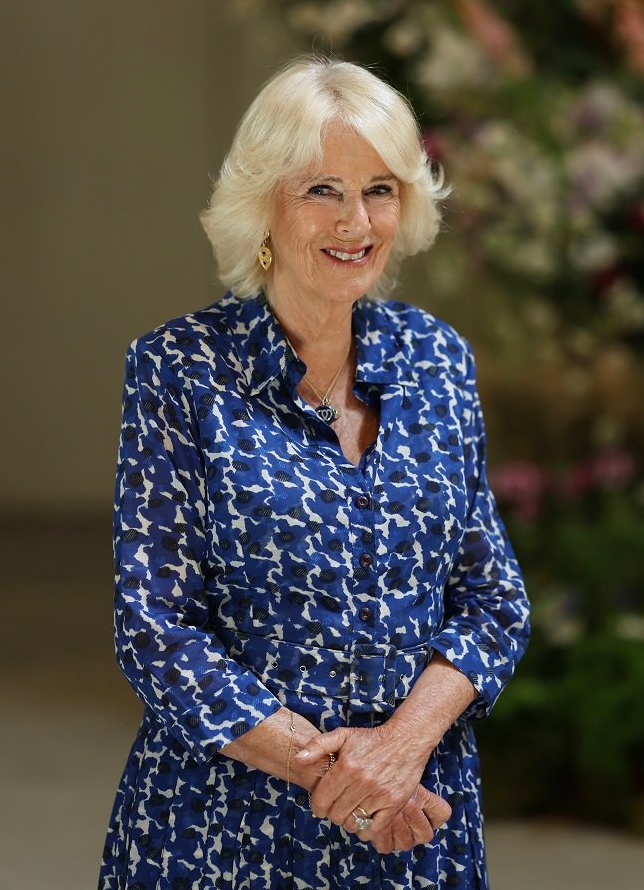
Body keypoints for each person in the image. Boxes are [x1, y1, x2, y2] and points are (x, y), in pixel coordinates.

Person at [98, 56, 531, 889]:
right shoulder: (180, 368)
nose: (355, 221)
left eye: (380, 189)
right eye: (321, 190)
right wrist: (343, 780)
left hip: (416, 825)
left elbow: (493, 600)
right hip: (224, 831)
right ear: (263, 206)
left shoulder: (438, 359)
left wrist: (400, 751)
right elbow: (155, 627)